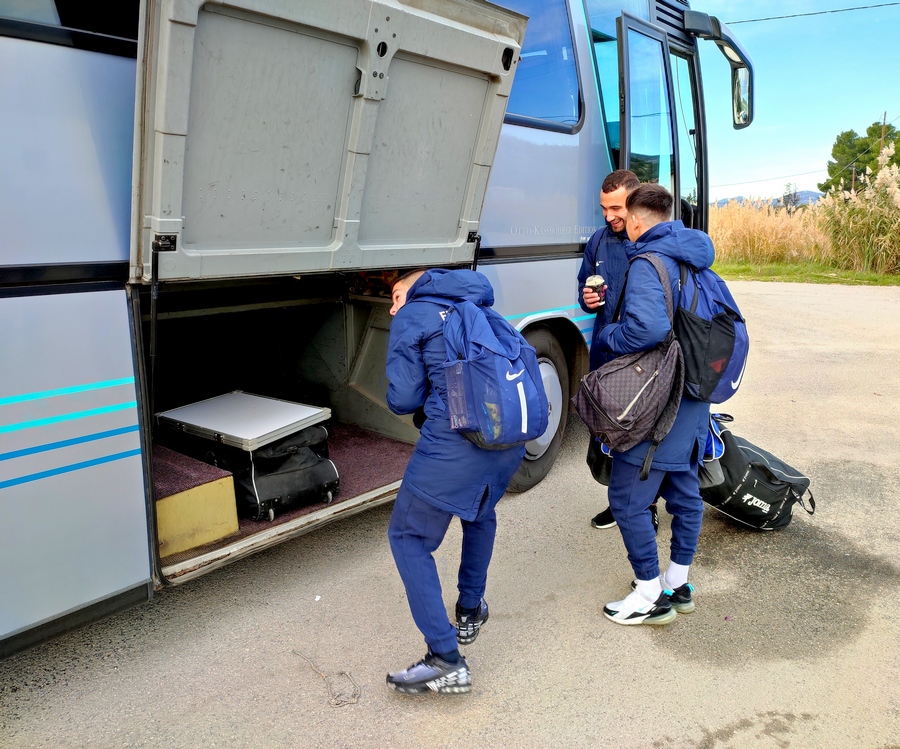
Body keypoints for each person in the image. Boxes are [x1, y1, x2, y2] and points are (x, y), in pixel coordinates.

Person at [383, 268, 525, 694]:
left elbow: (402, 399)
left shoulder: (416, 313)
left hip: (454, 445)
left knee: (408, 537)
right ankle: (469, 609)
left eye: (395, 295)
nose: (393, 307)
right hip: (506, 438)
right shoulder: (478, 306)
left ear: (414, 287)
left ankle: (445, 658)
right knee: (479, 511)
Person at [595, 183, 713, 626]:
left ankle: (648, 593)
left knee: (626, 500)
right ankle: (677, 584)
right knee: (684, 491)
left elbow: (647, 331)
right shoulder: (696, 256)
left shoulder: (649, 261)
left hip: (659, 397)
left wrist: (608, 334)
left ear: (636, 221)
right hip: (694, 394)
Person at [577, 169, 659, 533]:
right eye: (603, 208)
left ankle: (647, 506)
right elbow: (585, 287)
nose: (609, 216)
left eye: (616, 208)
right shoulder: (598, 241)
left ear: (635, 203)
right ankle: (619, 502)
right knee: (611, 434)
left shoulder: (653, 240)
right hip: (606, 355)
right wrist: (588, 298)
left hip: (643, 359)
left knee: (642, 435)